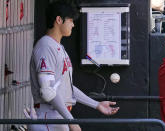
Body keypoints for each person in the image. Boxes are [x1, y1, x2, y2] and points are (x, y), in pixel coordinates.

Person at [29, 1, 119, 131]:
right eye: (70, 20)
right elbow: (47, 92)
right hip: (48, 117)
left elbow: (66, 88)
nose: (73, 24)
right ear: (59, 20)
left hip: (58, 117)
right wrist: (71, 120)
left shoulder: (57, 46)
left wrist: (97, 105)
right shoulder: (45, 46)